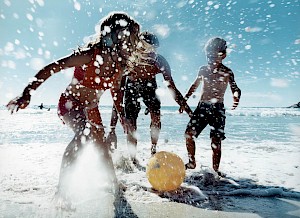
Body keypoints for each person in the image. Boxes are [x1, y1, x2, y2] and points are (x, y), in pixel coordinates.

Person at [6, 12, 140, 198]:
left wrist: (123, 115)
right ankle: (62, 191)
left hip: (91, 108)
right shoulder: (89, 56)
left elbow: (116, 93)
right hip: (70, 104)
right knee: (84, 133)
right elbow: (52, 67)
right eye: (129, 40)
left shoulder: (118, 67)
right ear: (112, 37)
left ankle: (114, 186)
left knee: (102, 146)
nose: (132, 46)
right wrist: (27, 92)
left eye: (134, 42)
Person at [106, 31, 193, 163]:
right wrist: (112, 128)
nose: (148, 54)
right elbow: (118, 94)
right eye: (145, 49)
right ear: (138, 46)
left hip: (150, 87)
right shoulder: (129, 61)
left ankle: (153, 148)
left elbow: (172, 88)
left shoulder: (159, 61)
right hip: (132, 87)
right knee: (131, 124)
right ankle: (133, 158)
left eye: (152, 51)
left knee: (156, 117)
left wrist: (188, 110)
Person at [181, 37, 241, 175]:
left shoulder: (227, 72)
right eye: (209, 56)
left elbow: (235, 88)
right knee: (189, 134)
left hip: (218, 109)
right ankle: (192, 162)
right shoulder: (203, 70)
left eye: (215, 56)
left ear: (223, 55)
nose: (211, 59)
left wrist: (236, 96)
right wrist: (185, 99)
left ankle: (215, 171)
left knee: (216, 142)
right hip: (202, 107)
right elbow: (194, 86)